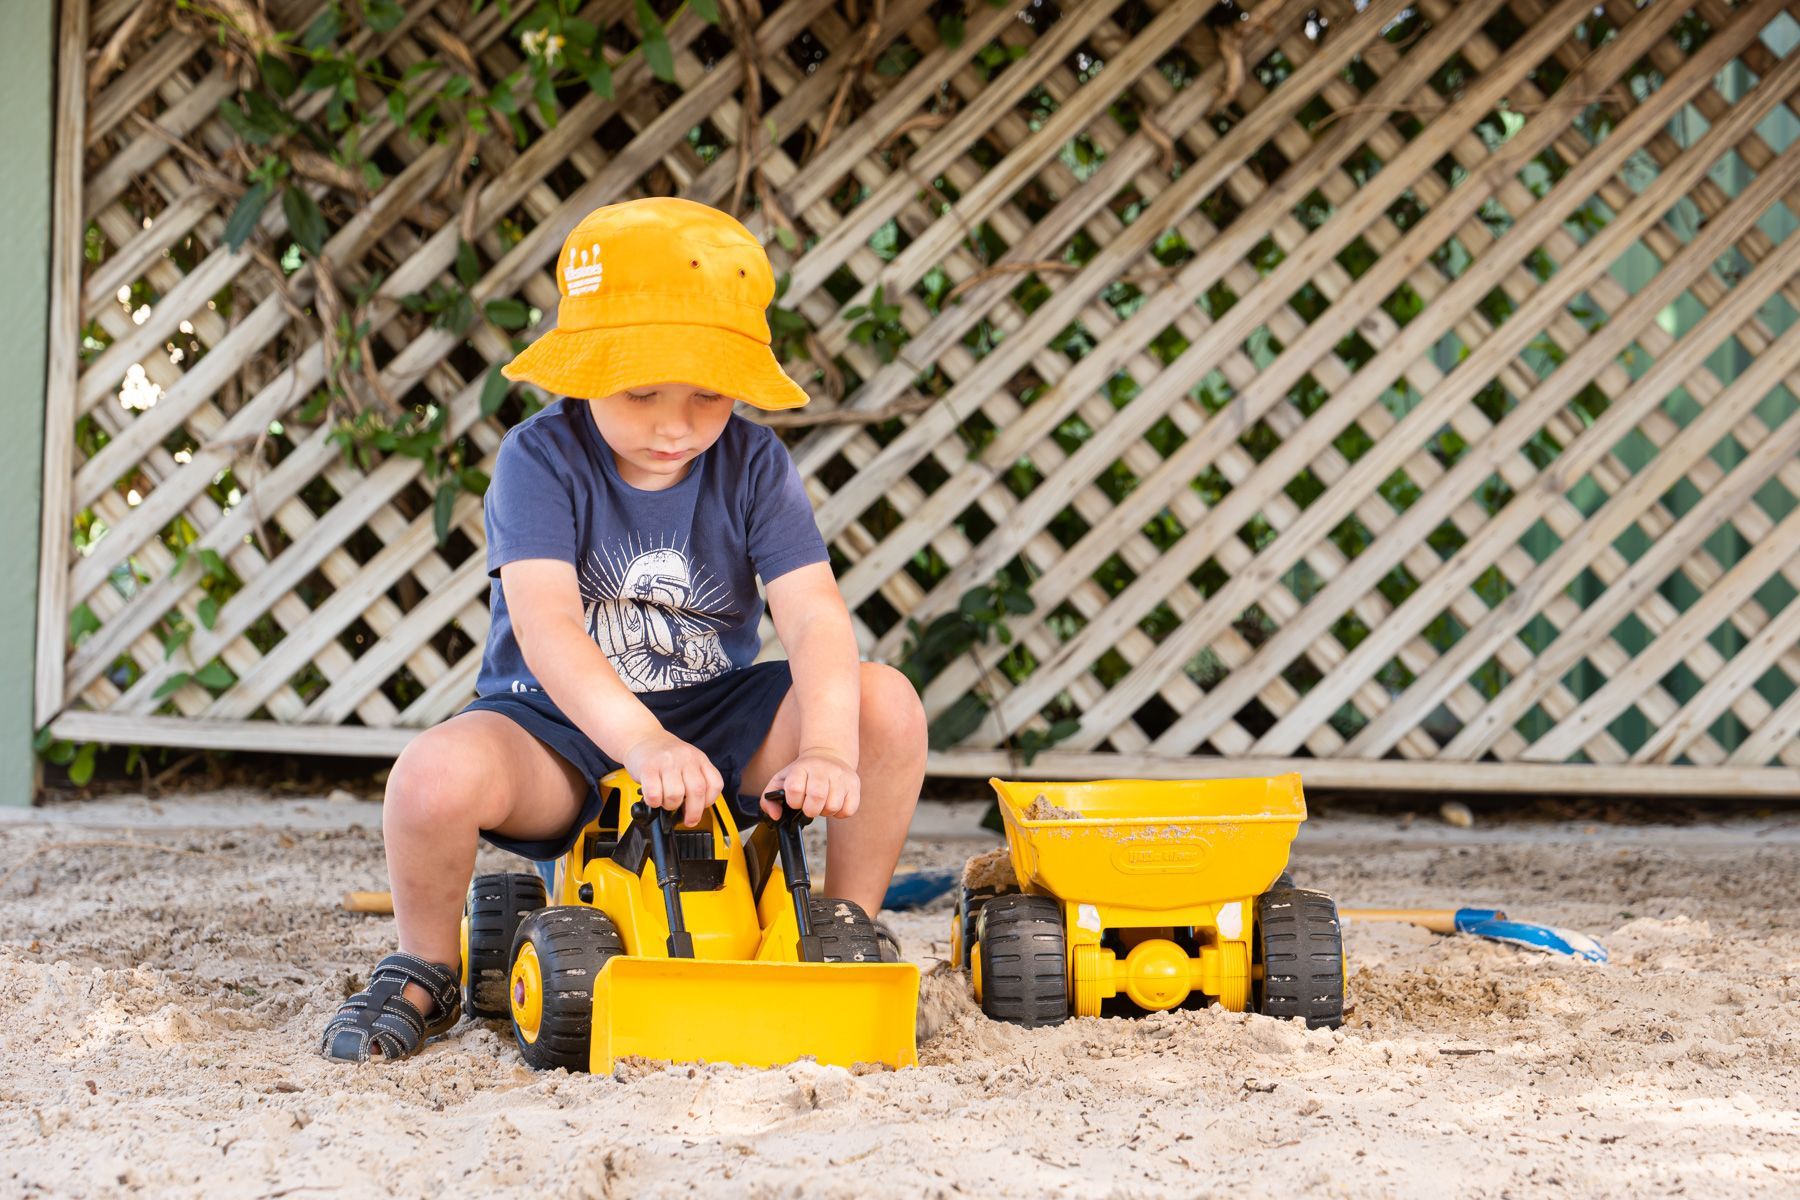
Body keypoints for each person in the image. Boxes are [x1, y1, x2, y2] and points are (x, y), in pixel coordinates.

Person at [321, 196, 927, 1063]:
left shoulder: (754, 463)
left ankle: (840, 930)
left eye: (709, 394)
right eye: (641, 391)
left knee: (887, 706)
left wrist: (828, 746)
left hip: (715, 717)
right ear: (586, 370)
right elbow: (551, 629)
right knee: (429, 777)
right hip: (557, 727)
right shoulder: (540, 460)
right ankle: (425, 963)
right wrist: (640, 744)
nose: (674, 425)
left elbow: (813, 613)